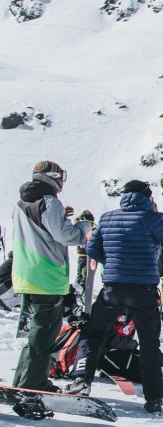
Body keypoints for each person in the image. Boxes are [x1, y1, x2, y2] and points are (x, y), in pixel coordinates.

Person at [65, 180, 163, 411]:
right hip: (143, 291)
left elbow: (91, 249)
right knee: (149, 343)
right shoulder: (152, 218)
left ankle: (81, 379)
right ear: (148, 197)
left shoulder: (108, 217)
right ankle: (154, 397)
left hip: (112, 288)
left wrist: (112, 263)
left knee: (94, 332)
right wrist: (157, 214)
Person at [10, 161, 92, 391]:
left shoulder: (22, 201)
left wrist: (59, 216)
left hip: (27, 273)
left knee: (37, 333)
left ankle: (24, 381)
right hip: (46, 275)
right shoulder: (50, 202)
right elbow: (66, 236)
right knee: (45, 335)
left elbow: (42, 229)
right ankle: (32, 385)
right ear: (53, 177)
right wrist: (83, 226)